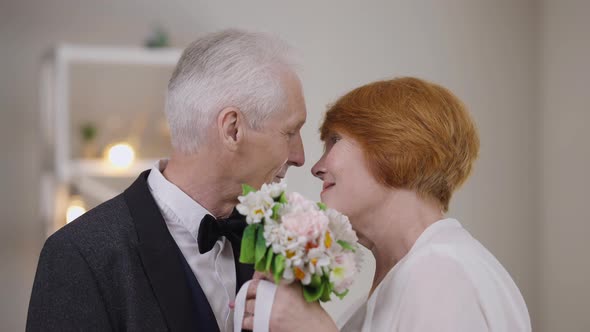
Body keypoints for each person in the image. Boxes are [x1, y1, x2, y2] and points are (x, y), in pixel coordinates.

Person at [26, 29, 307, 332]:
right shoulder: (80, 256)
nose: (300, 156)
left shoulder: (277, 242)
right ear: (233, 129)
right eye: (290, 132)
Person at [245, 77, 531, 331]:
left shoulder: (441, 273)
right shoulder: (388, 292)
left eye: (334, 140)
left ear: (394, 146)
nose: (316, 168)